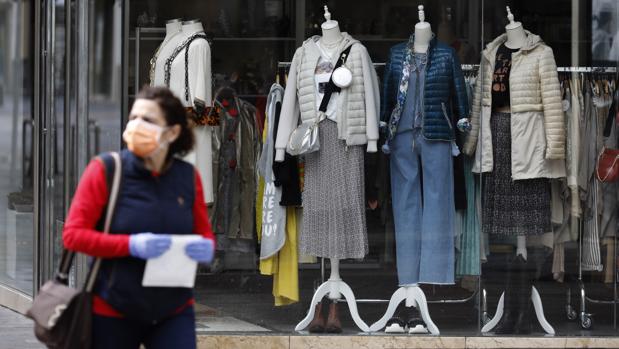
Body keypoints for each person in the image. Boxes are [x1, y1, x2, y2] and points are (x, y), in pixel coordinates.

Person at [63, 86, 215, 349]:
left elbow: (205, 235)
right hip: (113, 308)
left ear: (172, 132)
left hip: (173, 309)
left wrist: (205, 248)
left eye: (148, 120)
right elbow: (73, 235)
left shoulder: (187, 177)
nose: (136, 125)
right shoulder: (106, 170)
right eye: (133, 118)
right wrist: (131, 245)